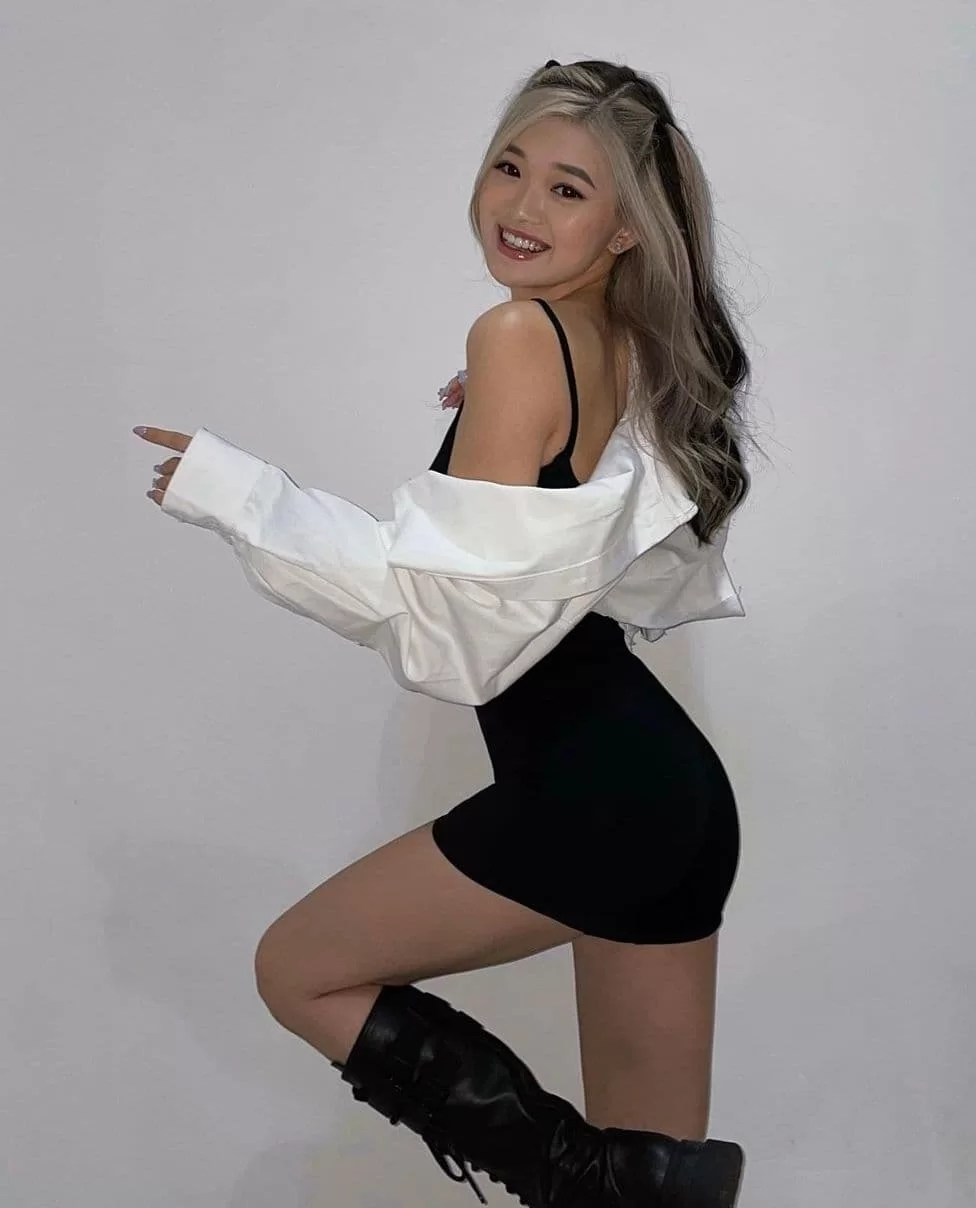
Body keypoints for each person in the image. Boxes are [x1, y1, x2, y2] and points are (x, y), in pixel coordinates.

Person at [133, 57, 761, 1208]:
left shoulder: (519, 337)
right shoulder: (628, 347)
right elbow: (593, 570)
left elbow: (457, 640)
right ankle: (594, 1181)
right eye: (509, 167)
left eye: (569, 188)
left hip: (591, 800)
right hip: (672, 804)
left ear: (626, 226)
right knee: (655, 1188)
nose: (521, 206)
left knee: (297, 967)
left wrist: (245, 498)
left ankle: (574, 1178)